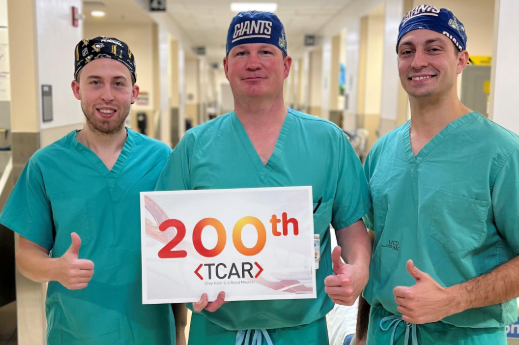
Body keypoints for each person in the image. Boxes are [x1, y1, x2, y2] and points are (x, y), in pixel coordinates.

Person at [155, 10, 372, 345]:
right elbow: (166, 238)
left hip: (301, 331)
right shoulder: (194, 147)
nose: (253, 63)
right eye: (241, 53)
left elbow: (353, 230)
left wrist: (357, 273)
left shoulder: (328, 143)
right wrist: (186, 286)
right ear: (226, 67)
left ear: (285, 66)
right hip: (216, 330)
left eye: (265, 52)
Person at [356, 5, 519, 344]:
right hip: (386, 332)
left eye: (434, 48)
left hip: (464, 336)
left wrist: (454, 299)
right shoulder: (382, 152)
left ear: (461, 60)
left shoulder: (502, 152)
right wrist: (361, 335)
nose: (418, 61)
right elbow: (376, 244)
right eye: (406, 51)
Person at [0, 37, 182, 344]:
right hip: (75, 331)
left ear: (133, 93)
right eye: (95, 82)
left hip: (150, 332)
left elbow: (178, 253)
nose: (107, 95)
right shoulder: (46, 165)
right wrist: (56, 269)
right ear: (77, 89)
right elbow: (27, 255)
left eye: (118, 83)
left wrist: (179, 329)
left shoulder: (161, 159)